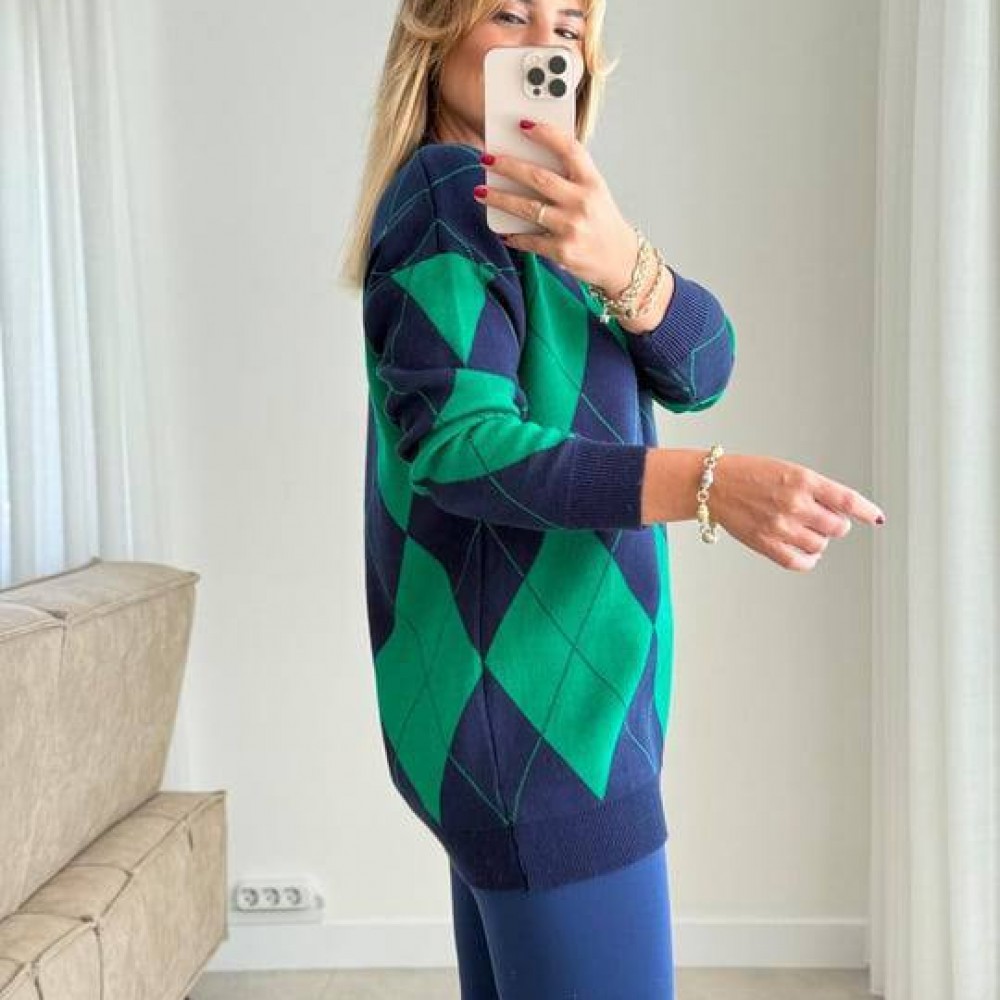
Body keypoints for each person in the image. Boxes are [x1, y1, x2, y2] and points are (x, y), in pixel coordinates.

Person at [340, 2, 886, 996]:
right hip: (540, 733)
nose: (543, 47)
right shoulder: (449, 193)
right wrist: (711, 484)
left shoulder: (553, 219)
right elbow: (460, 448)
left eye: (567, 27)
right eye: (509, 14)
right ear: (435, 31)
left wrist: (622, 260)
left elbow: (703, 367)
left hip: (545, 718)